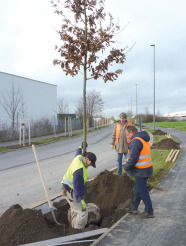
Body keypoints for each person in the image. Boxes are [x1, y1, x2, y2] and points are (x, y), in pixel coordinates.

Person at [124, 125, 154, 219]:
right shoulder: (143, 138)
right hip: (146, 169)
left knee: (142, 191)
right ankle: (134, 207)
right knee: (138, 189)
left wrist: (126, 168)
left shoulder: (135, 141)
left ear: (131, 132)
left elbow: (133, 159)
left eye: (127, 134)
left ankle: (149, 211)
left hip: (141, 171)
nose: (127, 136)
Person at [61, 152, 97, 229]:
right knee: (82, 212)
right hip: (71, 192)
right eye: (91, 163)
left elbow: (78, 151)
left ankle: (73, 226)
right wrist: (80, 199)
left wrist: (81, 146)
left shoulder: (78, 157)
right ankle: (77, 231)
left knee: (74, 208)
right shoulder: (79, 170)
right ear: (87, 159)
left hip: (67, 188)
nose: (91, 165)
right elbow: (77, 187)